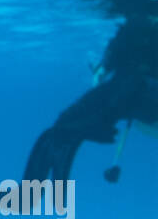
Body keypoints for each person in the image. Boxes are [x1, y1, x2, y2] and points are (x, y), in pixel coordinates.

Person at [23, 12, 158, 184]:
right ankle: (29, 194)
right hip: (130, 87)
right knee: (65, 125)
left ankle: (31, 193)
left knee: (66, 125)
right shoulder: (138, 26)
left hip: (133, 89)